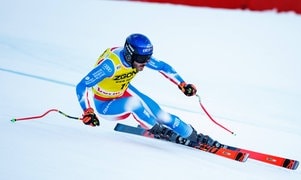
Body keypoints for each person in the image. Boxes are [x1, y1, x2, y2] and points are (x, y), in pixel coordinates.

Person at [76, 33, 219, 147]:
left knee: (161, 114)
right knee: (134, 104)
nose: (145, 63)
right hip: (104, 105)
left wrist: (182, 84)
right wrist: (87, 111)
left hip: (123, 90)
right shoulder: (110, 66)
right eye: (141, 59)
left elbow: (163, 67)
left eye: (147, 58)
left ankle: (191, 135)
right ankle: (159, 130)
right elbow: (82, 85)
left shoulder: (139, 57)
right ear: (130, 55)